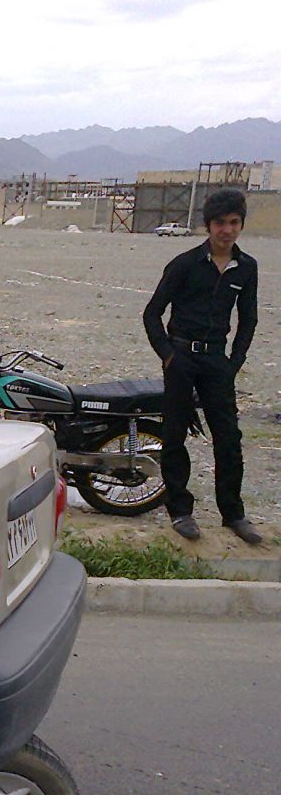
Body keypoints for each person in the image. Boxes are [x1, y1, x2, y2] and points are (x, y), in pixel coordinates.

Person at [142, 188, 262, 544]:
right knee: (175, 435)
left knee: (228, 438)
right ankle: (180, 510)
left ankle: (233, 514)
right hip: (181, 358)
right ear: (208, 226)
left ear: (241, 224)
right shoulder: (185, 263)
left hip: (217, 362)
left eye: (234, 223)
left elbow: (249, 319)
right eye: (220, 223)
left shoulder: (247, 267)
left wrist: (234, 362)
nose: (227, 230)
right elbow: (152, 313)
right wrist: (168, 355)